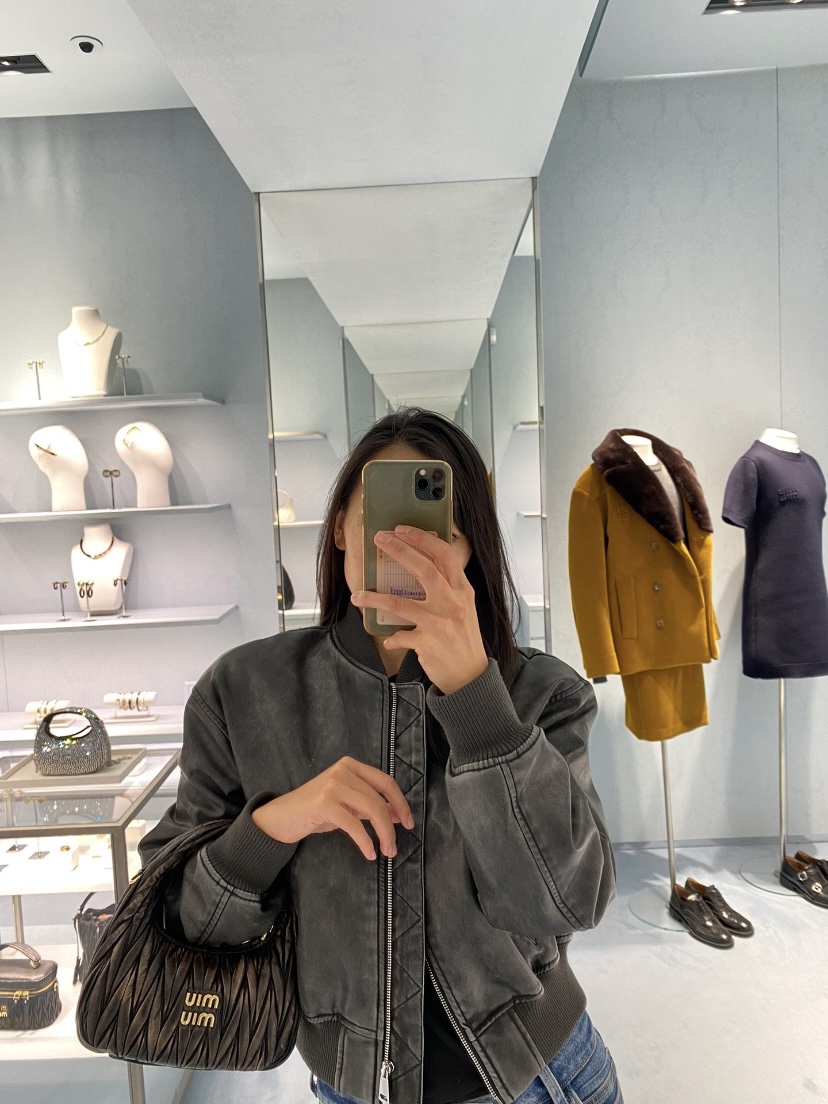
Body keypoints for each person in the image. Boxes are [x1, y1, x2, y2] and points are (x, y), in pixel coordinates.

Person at [139, 408, 623, 1104]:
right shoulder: (244, 690)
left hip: (539, 1079)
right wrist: (275, 823)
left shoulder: (542, 692)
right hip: (350, 1087)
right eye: (382, 517)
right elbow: (181, 916)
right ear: (340, 525)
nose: (405, 544)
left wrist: (477, 704)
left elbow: (566, 903)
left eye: (435, 527)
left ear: (469, 549)